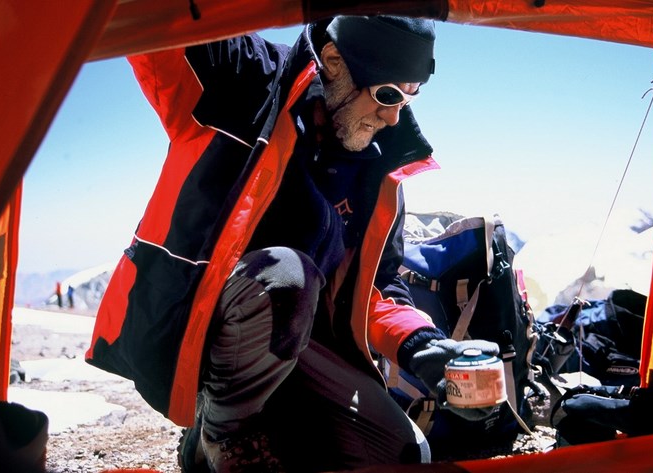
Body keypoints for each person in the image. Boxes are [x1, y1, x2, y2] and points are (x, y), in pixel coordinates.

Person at [87, 15, 500, 473]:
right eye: (387, 94)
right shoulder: (245, 78)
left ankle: (271, 430)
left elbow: (379, 288)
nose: (394, 115)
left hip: (307, 349)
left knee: (403, 454)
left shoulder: (380, 169)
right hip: (214, 333)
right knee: (287, 275)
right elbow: (164, 28)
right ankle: (222, 437)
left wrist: (419, 344)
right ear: (333, 61)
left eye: (410, 95)